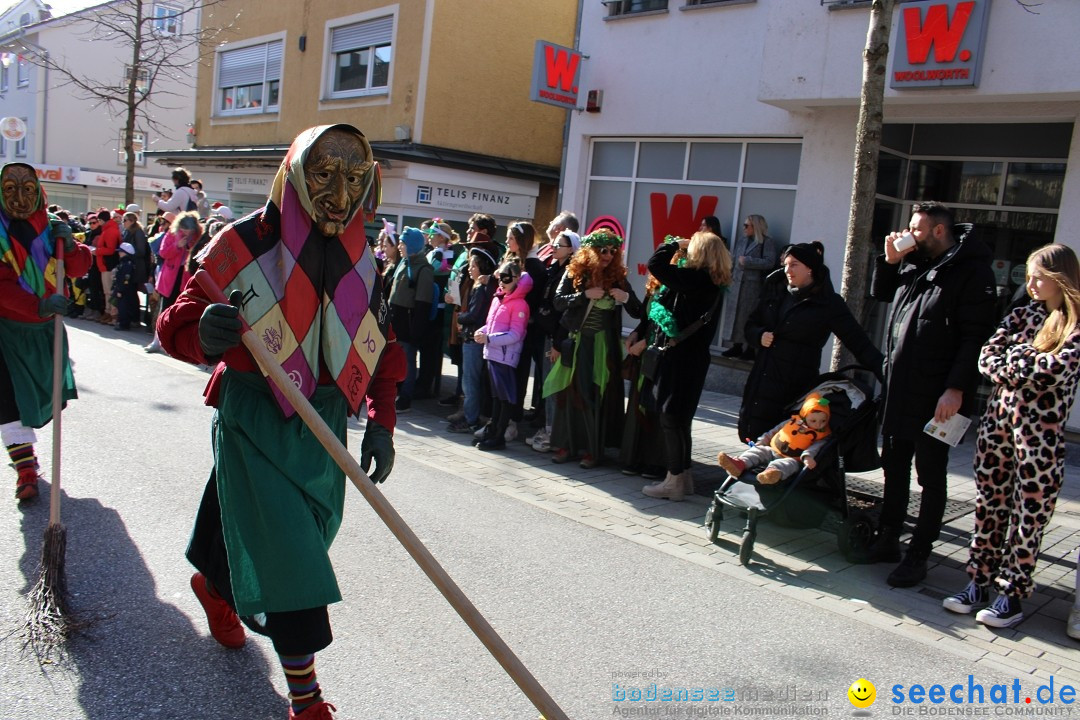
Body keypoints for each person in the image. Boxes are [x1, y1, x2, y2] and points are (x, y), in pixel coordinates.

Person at [157, 124, 403, 720]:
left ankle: (216, 585)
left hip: (322, 420)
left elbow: (380, 344)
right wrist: (204, 331)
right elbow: (177, 322)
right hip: (254, 412)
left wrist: (382, 418)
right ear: (295, 172)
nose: (339, 195)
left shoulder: (361, 255)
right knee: (292, 551)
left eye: (353, 177)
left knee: (271, 521)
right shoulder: (241, 243)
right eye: (324, 175)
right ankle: (307, 699)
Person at [857, 201, 997, 588]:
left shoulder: (972, 271)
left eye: (916, 229)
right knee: (895, 467)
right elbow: (883, 296)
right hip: (902, 389)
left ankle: (919, 554)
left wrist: (955, 389)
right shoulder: (915, 262)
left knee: (931, 476)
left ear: (938, 230)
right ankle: (888, 538)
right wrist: (888, 261)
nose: (909, 234)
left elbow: (975, 338)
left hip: (939, 397)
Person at [941, 244, 1080, 628]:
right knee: (989, 507)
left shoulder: (1075, 323)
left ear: (1060, 279)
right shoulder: (1023, 313)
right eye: (1030, 275)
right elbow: (987, 357)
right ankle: (977, 584)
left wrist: (1015, 360)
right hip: (998, 428)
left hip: (1040, 438)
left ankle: (1012, 596)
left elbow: (1054, 371)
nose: (1031, 284)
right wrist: (1023, 360)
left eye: (1039, 277)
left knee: (1027, 518)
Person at [0, 162, 91, 501]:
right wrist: (35, 305)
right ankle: (25, 471)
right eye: (10, 189)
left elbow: (80, 267)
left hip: (45, 332)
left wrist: (71, 246)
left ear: (38, 190)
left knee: (40, 399)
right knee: (7, 402)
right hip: (6, 332)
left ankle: (26, 462)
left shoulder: (52, 227)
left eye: (27, 188)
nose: (20, 197)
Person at [737, 241, 883, 444]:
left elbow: (858, 342)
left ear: (810, 269)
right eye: (786, 264)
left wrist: (886, 372)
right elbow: (750, 324)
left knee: (787, 447)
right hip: (762, 382)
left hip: (796, 388)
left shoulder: (828, 304)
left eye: (794, 264)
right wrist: (759, 335)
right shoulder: (776, 290)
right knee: (755, 441)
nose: (787, 270)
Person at [639, 232, 731, 500]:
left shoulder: (696, 279)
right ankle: (683, 477)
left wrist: (673, 244)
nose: (687, 251)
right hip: (695, 357)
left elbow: (655, 265)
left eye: (692, 247)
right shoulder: (713, 282)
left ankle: (674, 480)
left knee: (670, 416)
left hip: (680, 357)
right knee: (681, 418)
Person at [545, 229, 641, 469]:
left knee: (595, 395)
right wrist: (584, 294)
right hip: (578, 343)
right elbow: (558, 302)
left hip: (603, 346)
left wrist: (626, 297)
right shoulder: (575, 272)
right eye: (603, 250)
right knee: (570, 393)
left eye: (612, 251)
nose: (608, 255)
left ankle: (592, 450)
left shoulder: (618, 277)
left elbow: (639, 312)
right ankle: (566, 445)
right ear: (590, 251)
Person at [618, 241, 681, 480]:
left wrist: (645, 343)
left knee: (654, 408)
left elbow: (668, 325)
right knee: (637, 405)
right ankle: (634, 457)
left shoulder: (677, 290)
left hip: (658, 354)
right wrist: (635, 333)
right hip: (643, 355)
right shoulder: (653, 289)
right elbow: (646, 320)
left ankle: (655, 462)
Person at [528, 228, 579, 453]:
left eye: (560, 245)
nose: (554, 247)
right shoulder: (553, 269)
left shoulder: (570, 273)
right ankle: (549, 428)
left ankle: (553, 433)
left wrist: (558, 343)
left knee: (553, 385)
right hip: (544, 333)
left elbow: (564, 313)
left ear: (571, 250)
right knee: (545, 383)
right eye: (555, 244)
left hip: (556, 337)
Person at [473, 261, 532, 451]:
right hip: (493, 353)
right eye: (500, 277)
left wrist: (489, 338)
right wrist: (481, 332)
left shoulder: (520, 304)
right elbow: (491, 325)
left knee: (504, 399)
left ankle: (499, 436)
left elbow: (515, 334)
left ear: (516, 279)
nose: (502, 282)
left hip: (505, 357)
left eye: (507, 278)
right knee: (496, 397)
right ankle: (493, 431)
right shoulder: (498, 299)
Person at [718, 394, 832, 486]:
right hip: (772, 450)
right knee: (759, 451)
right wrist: (762, 441)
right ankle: (740, 464)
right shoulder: (791, 422)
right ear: (804, 416)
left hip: (793, 459)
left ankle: (770, 474)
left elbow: (815, 448)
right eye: (814, 421)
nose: (818, 424)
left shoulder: (821, 435)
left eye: (823, 421)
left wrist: (808, 457)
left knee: (786, 464)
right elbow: (773, 431)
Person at [504, 220, 546, 443]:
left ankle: (513, 421)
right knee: (508, 374)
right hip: (509, 328)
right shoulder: (512, 263)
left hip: (527, 332)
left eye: (511, 237)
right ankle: (505, 418)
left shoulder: (535, 268)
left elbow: (534, 302)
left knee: (519, 375)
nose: (507, 241)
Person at [448, 247, 497, 434]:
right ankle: (471, 415)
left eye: (474, 266)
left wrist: (461, 317)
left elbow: (476, 315)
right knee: (471, 381)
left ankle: (470, 419)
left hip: (473, 340)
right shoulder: (480, 286)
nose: (470, 269)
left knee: (470, 382)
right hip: (471, 338)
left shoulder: (482, 288)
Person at [388, 226, 434, 413]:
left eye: (403, 243)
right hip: (396, 322)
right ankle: (395, 392)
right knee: (395, 360)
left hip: (408, 325)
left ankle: (405, 396)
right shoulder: (404, 263)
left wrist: (415, 332)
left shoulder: (424, 269)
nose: (399, 246)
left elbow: (423, 303)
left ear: (412, 246)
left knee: (407, 361)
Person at [720, 214, 777, 359]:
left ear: (756, 227)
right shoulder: (742, 240)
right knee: (735, 316)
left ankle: (750, 348)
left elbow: (770, 262)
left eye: (747, 225)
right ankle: (736, 345)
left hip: (752, 286)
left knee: (749, 316)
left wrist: (748, 261)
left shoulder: (766, 242)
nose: (744, 228)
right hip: (737, 283)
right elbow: (734, 260)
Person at [144, 212, 199, 353]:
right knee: (164, 310)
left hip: (185, 278)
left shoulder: (198, 237)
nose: (186, 232)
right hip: (170, 279)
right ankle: (157, 341)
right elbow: (163, 253)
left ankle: (176, 344)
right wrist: (177, 245)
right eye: (184, 228)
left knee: (181, 312)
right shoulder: (171, 234)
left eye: (189, 229)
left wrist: (190, 246)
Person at [94, 208, 121, 325]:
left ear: (101, 220)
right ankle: (108, 312)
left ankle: (111, 313)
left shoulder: (110, 231)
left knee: (109, 291)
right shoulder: (108, 229)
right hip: (106, 264)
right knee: (107, 291)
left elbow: (110, 250)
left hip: (108, 264)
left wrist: (97, 251)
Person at [111, 241, 139, 330]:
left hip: (125, 289)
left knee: (124, 307)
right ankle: (122, 322)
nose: (119, 253)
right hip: (124, 288)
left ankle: (124, 324)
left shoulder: (127, 264)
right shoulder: (124, 263)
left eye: (121, 251)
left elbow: (125, 278)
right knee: (122, 306)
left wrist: (120, 290)